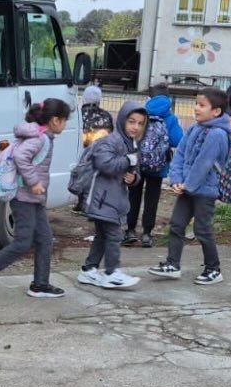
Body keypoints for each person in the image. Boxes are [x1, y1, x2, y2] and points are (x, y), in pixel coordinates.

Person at [0, 99, 72, 301]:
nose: (66, 125)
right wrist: (34, 182)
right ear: (55, 120)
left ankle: (40, 285)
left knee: (45, 239)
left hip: (33, 199)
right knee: (23, 242)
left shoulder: (41, 136)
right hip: (24, 198)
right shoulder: (39, 138)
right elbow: (21, 157)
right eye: (65, 120)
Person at [148, 87, 231, 286]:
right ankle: (172, 264)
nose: (196, 108)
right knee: (177, 225)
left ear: (216, 111)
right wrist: (176, 180)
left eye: (202, 105)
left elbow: (203, 164)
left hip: (205, 191)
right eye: (196, 103)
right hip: (186, 188)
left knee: (203, 229)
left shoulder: (218, 134)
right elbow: (180, 154)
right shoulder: (195, 128)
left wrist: (187, 185)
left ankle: (213, 269)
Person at [77, 102, 147, 290]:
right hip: (102, 197)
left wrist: (133, 178)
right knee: (114, 235)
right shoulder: (111, 141)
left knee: (102, 235)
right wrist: (126, 160)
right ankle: (112, 272)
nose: (136, 127)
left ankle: (89, 269)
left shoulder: (130, 144)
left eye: (140, 123)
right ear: (123, 120)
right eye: (132, 122)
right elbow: (105, 164)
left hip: (113, 198)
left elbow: (135, 172)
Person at [127, 84, 182, 246]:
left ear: (149, 98)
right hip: (158, 166)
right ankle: (146, 233)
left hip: (137, 163)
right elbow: (177, 140)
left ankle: (130, 230)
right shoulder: (170, 117)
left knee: (133, 195)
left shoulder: (142, 113)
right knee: (152, 199)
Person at [75, 85, 114, 214]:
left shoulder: (79, 114)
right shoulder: (106, 115)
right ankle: (90, 205)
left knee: (81, 176)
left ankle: (81, 204)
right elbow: (111, 132)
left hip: (82, 149)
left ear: (84, 98)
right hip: (101, 152)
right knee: (94, 179)